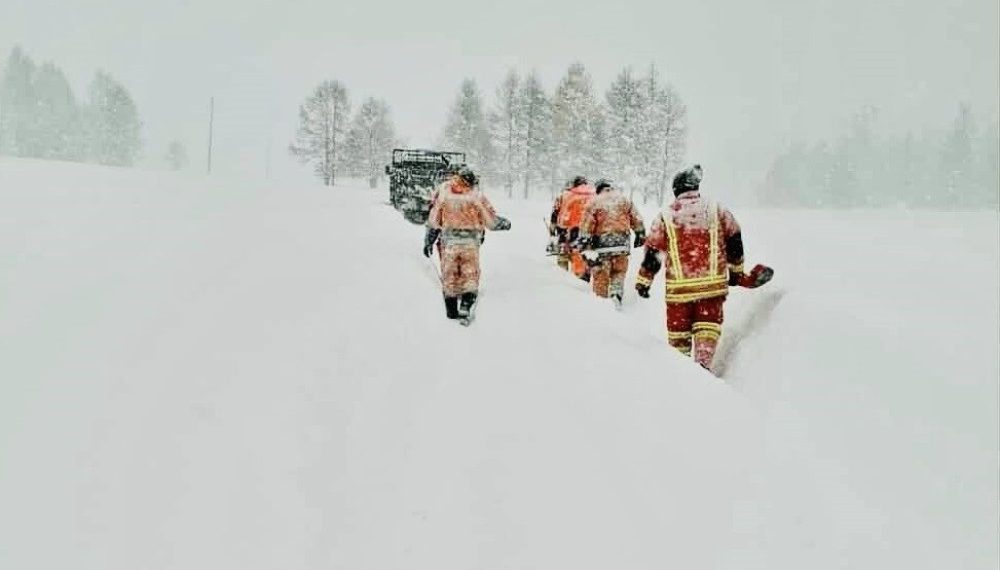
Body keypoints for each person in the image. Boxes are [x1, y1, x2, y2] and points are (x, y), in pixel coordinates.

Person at [635, 165, 773, 370]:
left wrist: (644, 281)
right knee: (706, 334)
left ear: (676, 190)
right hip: (711, 291)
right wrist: (736, 273)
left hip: (678, 295)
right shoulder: (717, 209)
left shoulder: (665, 215)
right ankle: (702, 370)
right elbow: (735, 241)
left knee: (678, 344)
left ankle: (678, 376)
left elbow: (653, 253)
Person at [423, 167, 511, 321]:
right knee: (470, 274)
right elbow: (490, 220)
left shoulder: (444, 193)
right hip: (470, 243)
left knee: (449, 276)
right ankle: (465, 305)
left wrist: (429, 241)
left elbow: (433, 220)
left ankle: (450, 310)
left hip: (449, 242)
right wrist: (504, 223)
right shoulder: (476, 196)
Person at [577, 179, 645, 308]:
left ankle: (602, 305)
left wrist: (584, 244)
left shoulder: (594, 203)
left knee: (601, 278)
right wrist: (640, 234)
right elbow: (637, 219)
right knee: (619, 273)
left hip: (601, 248)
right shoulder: (624, 200)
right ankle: (616, 294)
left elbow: (586, 226)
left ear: (598, 190)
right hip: (622, 246)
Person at [550, 175, 596, 280]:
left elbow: (555, 213)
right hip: (589, 231)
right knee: (584, 254)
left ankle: (562, 278)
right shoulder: (594, 196)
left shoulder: (565, 195)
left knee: (563, 254)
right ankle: (584, 275)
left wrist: (553, 231)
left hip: (567, 230)